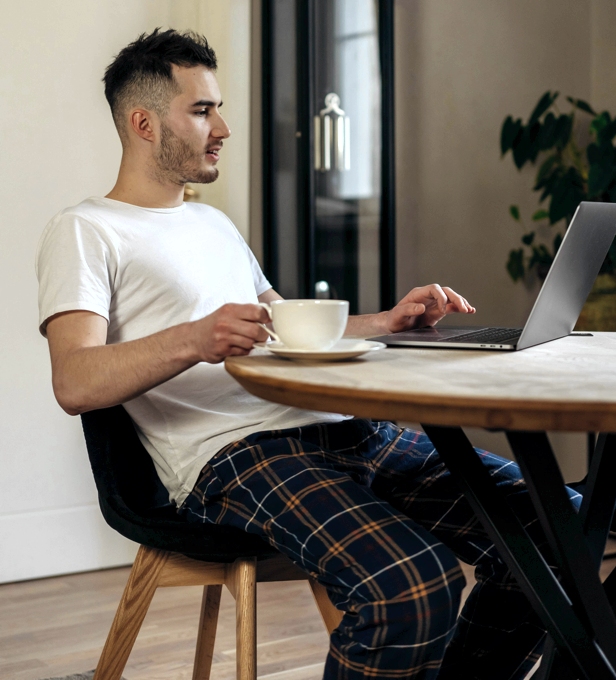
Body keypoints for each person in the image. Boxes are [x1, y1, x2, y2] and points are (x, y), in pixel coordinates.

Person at [37, 28, 572, 680]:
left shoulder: (213, 223)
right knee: (409, 584)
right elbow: (75, 380)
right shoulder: (86, 230)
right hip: (235, 455)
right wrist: (193, 338)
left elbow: (288, 329)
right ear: (143, 122)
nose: (224, 127)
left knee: (552, 534)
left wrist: (387, 320)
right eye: (203, 110)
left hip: (338, 426)